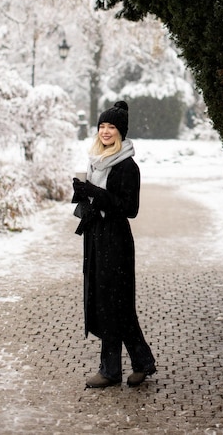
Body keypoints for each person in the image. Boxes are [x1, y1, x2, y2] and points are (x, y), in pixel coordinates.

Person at [72, 101, 156, 388]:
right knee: (109, 304)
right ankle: (142, 362)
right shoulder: (96, 159)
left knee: (114, 304)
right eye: (102, 126)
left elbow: (129, 208)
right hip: (96, 238)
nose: (105, 131)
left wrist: (95, 192)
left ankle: (110, 370)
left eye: (112, 127)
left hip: (116, 242)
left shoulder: (127, 165)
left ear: (121, 132)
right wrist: (83, 197)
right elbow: (99, 200)